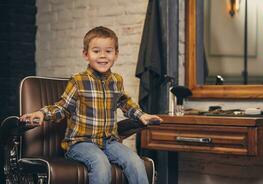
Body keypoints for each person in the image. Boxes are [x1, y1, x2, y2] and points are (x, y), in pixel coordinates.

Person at [20, 26, 163, 184]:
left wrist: (142, 115)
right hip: (81, 143)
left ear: (116, 54)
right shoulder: (78, 80)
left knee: (136, 163)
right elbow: (62, 108)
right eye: (96, 51)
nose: (103, 56)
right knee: (101, 164)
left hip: (109, 142)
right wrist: (41, 114)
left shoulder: (117, 80)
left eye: (108, 51)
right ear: (86, 54)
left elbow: (125, 102)